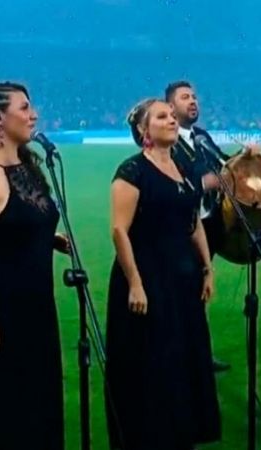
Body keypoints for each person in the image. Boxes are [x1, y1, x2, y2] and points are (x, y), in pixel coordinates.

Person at [106, 98, 220, 449]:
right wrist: (135, 283)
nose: (171, 120)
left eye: (172, 115)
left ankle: (181, 431)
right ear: (144, 130)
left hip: (183, 280)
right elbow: (119, 231)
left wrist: (207, 268)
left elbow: (193, 223)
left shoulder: (183, 170)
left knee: (183, 358)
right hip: (148, 277)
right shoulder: (132, 171)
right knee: (153, 359)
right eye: (162, 116)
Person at [0, 82, 66, 450]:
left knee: (37, 406)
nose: (33, 115)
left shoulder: (26, 168)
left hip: (37, 309)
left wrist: (47, 237)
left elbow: (18, 220)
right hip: (1, 311)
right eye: (24, 108)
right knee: (4, 411)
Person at [166, 80, 233, 372]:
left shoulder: (202, 137)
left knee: (200, 290)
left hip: (207, 224)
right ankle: (182, 354)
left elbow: (223, 164)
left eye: (194, 96)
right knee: (180, 292)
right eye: (185, 97)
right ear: (171, 106)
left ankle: (199, 352)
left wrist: (242, 159)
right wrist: (205, 183)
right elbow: (172, 183)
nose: (193, 101)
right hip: (180, 230)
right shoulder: (168, 140)